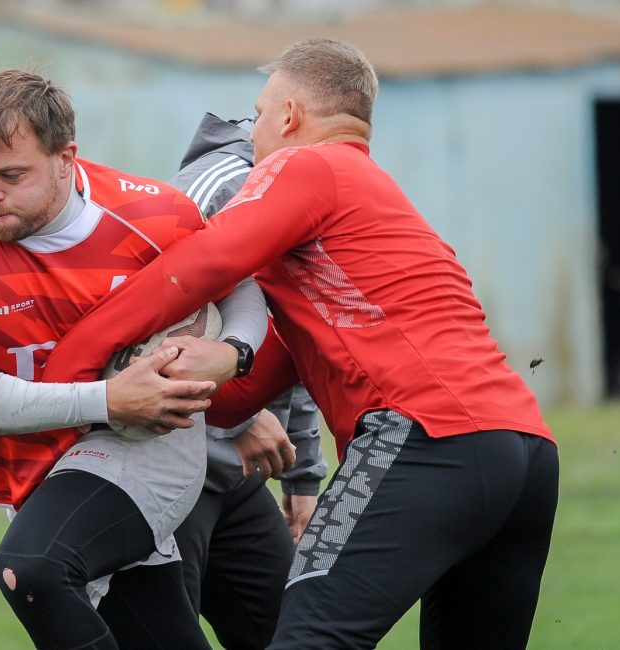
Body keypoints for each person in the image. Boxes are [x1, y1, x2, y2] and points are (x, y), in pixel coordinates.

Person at [41, 38, 559, 649]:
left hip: (425, 436)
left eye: (258, 114)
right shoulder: (374, 205)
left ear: (289, 116)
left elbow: (198, 265)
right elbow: (251, 388)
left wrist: (69, 370)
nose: (252, 131)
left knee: (310, 640)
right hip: (525, 450)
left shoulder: (307, 166)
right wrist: (193, 381)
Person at [0, 65, 270, 648]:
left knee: (33, 569)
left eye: (10, 175)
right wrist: (110, 398)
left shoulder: (152, 214)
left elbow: (237, 286)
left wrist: (232, 353)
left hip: (148, 445)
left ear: (66, 158)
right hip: (42, 461)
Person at [169, 112, 328, 649]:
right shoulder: (220, 184)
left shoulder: (311, 185)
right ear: (293, 116)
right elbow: (150, 318)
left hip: (240, 477)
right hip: (176, 462)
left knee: (295, 634)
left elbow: (295, 332)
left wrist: (302, 479)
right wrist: (241, 414)